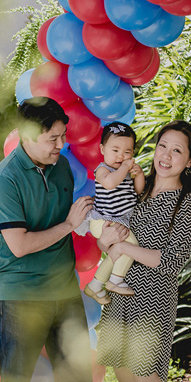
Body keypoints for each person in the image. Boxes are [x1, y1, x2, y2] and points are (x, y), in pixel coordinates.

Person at [0, 96, 95, 382]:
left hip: (65, 291)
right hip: (21, 294)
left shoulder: (60, 167)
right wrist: (69, 225)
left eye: (63, 136)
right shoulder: (4, 179)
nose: (61, 145)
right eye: (52, 138)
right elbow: (18, 246)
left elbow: (69, 219)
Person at [95, 121, 191, 382]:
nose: (166, 156)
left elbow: (171, 262)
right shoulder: (137, 188)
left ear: (190, 160)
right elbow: (112, 239)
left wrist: (123, 248)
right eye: (163, 146)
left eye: (177, 151)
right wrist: (105, 242)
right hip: (119, 293)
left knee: (145, 375)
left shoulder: (187, 202)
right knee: (122, 372)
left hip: (151, 299)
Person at [82, 122, 145, 304]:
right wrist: (125, 168)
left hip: (118, 221)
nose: (121, 156)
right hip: (104, 220)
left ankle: (94, 286)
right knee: (131, 245)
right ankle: (116, 280)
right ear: (102, 149)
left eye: (127, 152)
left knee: (117, 253)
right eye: (115, 150)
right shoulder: (103, 170)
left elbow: (137, 192)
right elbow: (109, 183)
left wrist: (138, 174)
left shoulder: (123, 173)